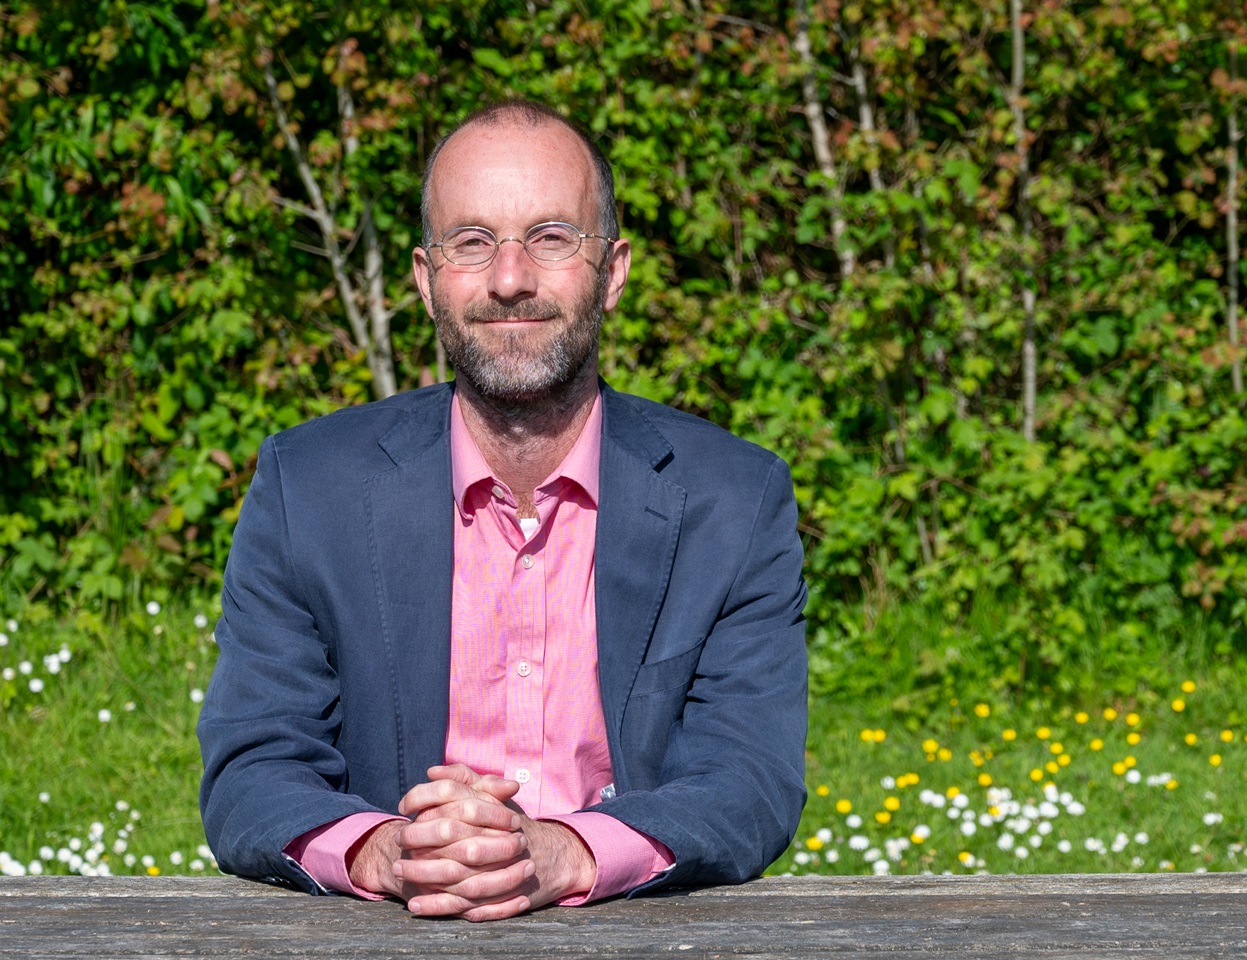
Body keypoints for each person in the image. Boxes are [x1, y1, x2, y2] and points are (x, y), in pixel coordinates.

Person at [197, 100, 808, 922]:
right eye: (472, 241)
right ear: (424, 278)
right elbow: (250, 770)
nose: (510, 277)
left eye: (552, 237)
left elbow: (751, 781)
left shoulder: (735, 502)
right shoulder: (306, 488)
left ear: (614, 269)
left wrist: (570, 851)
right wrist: (388, 850)